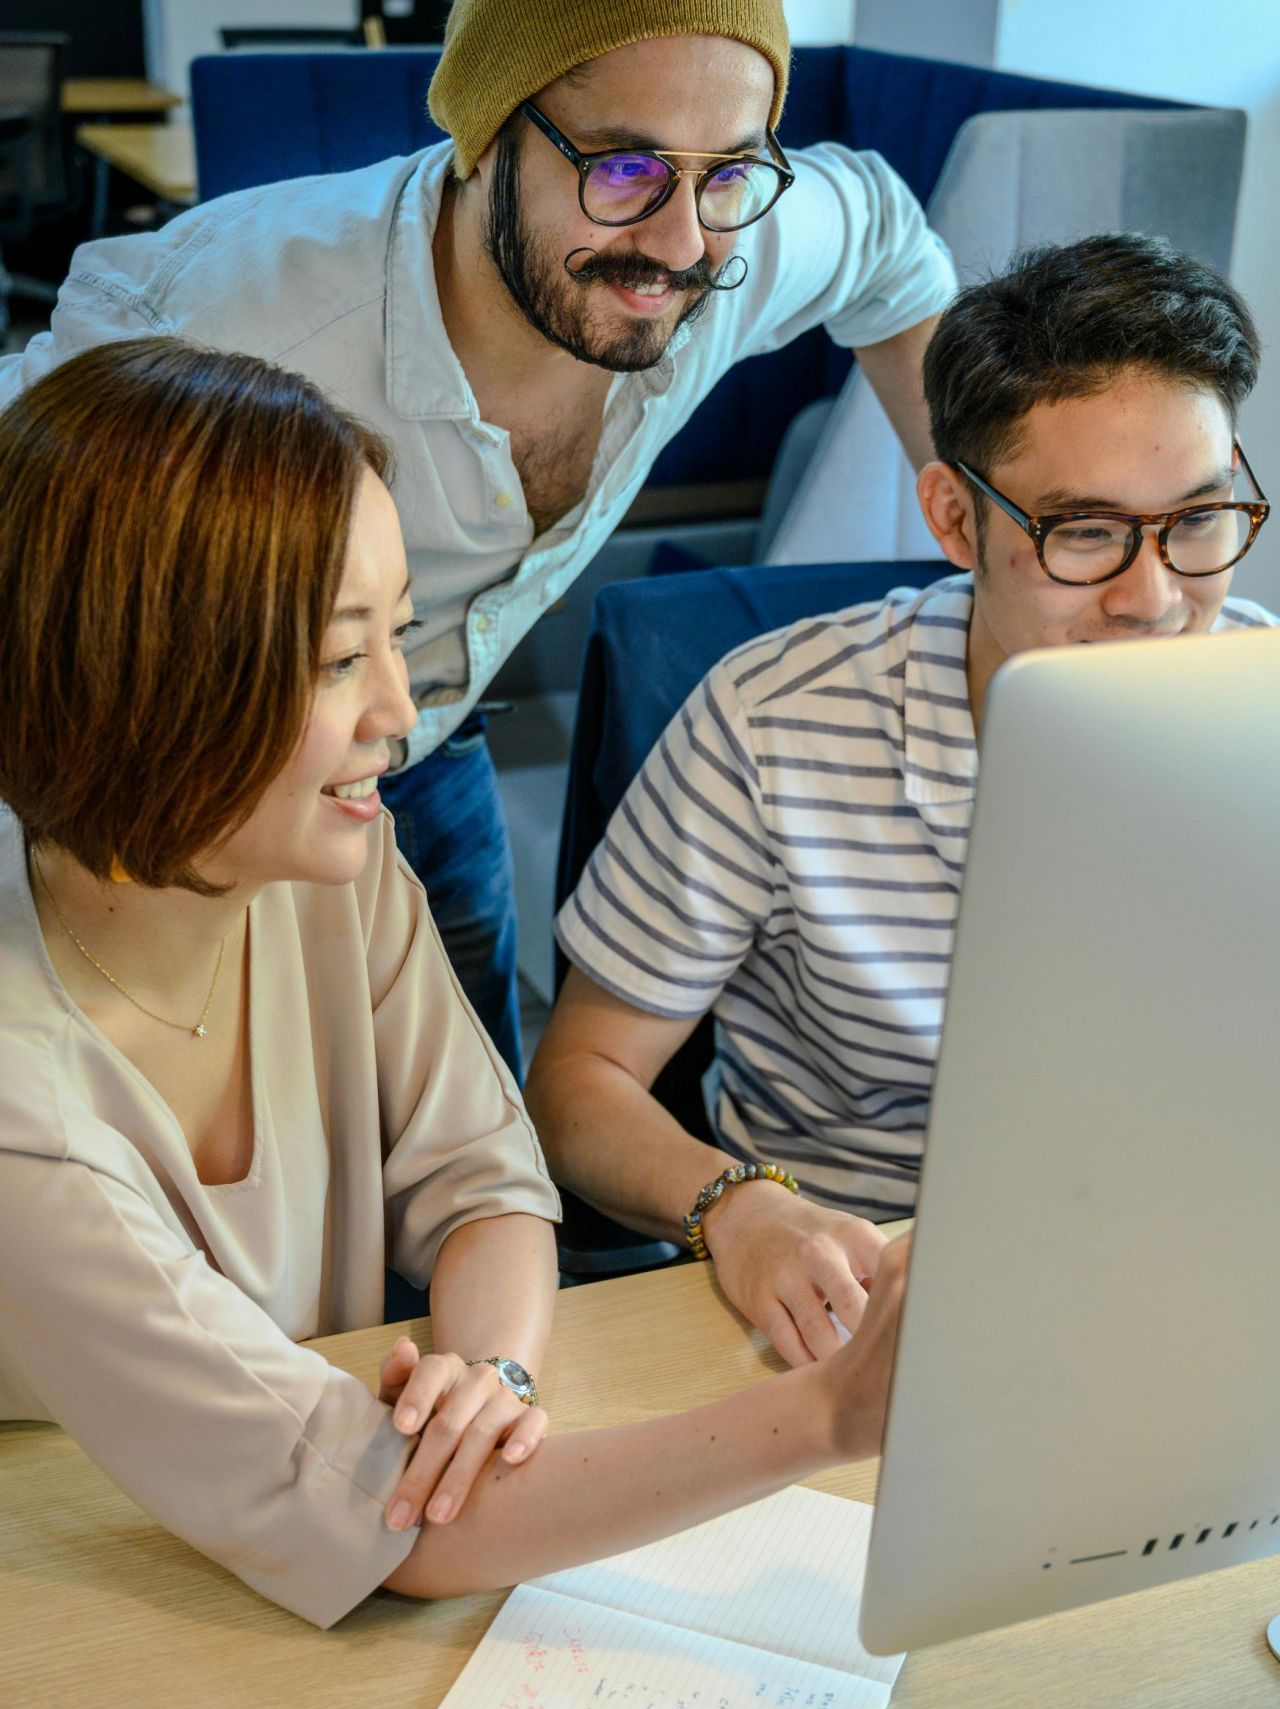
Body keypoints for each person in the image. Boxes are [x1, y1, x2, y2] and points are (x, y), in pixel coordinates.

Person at [0, 337, 907, 1629]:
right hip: (80, 1575)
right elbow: (378, 1522)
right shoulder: (23, 1107)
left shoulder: (326, 861)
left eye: (398, 635)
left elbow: (484, 1178)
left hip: (264, 1514)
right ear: (146, 686)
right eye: (334, 659)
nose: (401, 708)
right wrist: (827, 1411)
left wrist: (492, 1374)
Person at [0, 0, 955, 1076]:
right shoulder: (234, 321)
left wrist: (978, 517)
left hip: (427, 740)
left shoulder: (726, 242)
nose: (683, 243)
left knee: (472, 1126)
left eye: (725, 174)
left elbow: (883, 236)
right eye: (625, 169)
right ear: (486, 136)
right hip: (197, 776)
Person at [525, 233, 1275, 1367]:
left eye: (1197, 521)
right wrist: (738, 1205)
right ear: (951, 519)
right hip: (861, 1305)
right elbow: (576, 1086)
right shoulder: (773, 724)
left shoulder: (1256, 698)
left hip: (1192, 1286)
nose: (1155, 597)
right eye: (1082, 534)